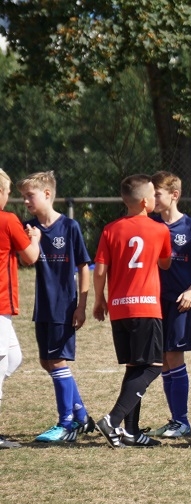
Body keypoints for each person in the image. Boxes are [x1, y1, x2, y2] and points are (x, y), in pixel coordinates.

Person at [92, 174, 173, 448]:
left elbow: (100, 270)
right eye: (152, 194)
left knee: (135, 366)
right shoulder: (159, 229)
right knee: (153, 367)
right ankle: (112, 420)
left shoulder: (110, 230)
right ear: (144, 202)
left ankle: (131, 431)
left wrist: (99, 300)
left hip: (119, 308)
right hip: (146, 307)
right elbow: (165, 263)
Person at [18, 172, 94, 443]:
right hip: (43, 306)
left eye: (30, 195)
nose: (25, 201)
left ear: (47, 194)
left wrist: (81, 305)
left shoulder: (70, 227)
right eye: (23, 196)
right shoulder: (28, 227)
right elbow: (26, 260)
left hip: (64, 305)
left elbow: (83, 266)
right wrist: (34, 239)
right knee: (46, 361)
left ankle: (66, 424)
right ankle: (81, 416)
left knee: (57, 361)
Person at [147, 171, 191, 438]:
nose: (153, 198)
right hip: (154, 302)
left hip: (181, 302)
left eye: (157, 194)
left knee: (174, 356)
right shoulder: (150, 225)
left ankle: (182, 421)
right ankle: (175, 420)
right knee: (162, 359)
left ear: (174, 195)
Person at [0, 168, 41, 449]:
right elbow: (30, 257)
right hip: (0, 302)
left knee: (13, 358)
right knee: (2, 362)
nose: (8, 197)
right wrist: (35, 238)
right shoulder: (7, 219)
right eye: (6, 192)